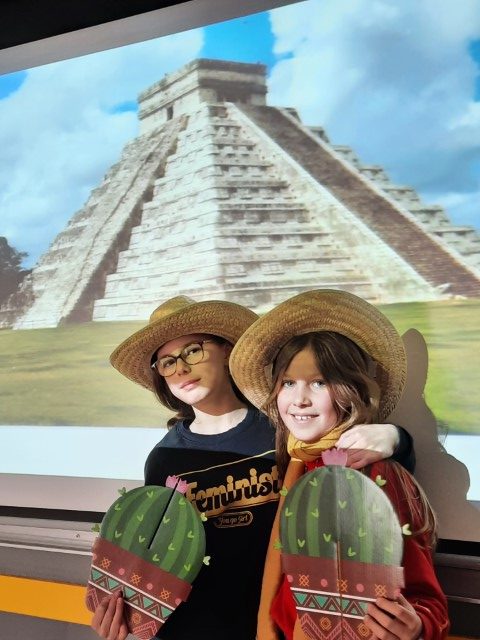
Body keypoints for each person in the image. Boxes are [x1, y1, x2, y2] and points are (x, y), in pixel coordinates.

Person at [90, 295, 414, 640]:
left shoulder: (286, 430)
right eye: (167, 362)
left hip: (272, 628)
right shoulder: (164, 458)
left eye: (193, 351)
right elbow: (153, 557)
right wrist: (125, 610)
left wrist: (396, 437)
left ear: (228, 350)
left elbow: (365, 478)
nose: (181, 368)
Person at [229, 289, 449, 640]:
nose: (300, 399)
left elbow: (426, 599)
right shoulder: (296, 463)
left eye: (319, 382)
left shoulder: (374, 472)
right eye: (288, 383)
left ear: (350, 391)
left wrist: (418, 625)